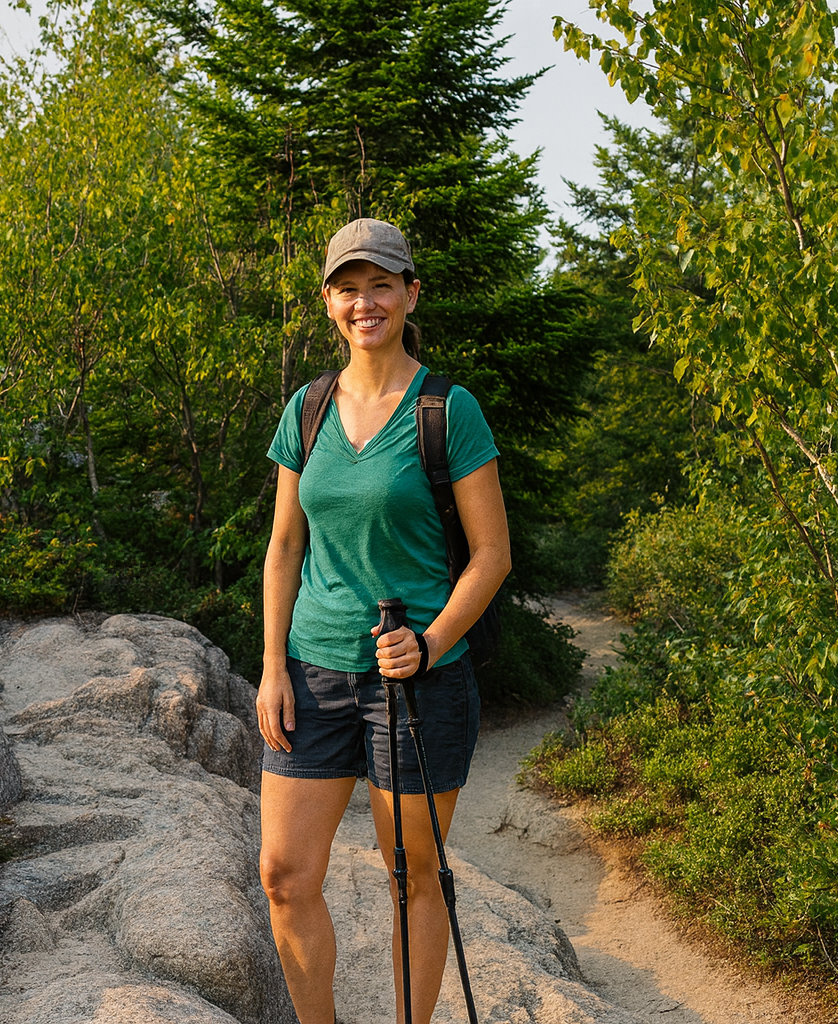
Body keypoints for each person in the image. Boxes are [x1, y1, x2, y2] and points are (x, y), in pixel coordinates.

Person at [256, 218, 511, 1024]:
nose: (363, 302)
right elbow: (285, 547)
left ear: (409, 293)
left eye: (380, 285)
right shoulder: (308, 407)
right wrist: (270, 668)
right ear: (327, 301)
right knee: (285, 876)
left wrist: (432, 642)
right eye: (347, 287)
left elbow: (492, 554)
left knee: (412, 875)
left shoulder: (447, 408)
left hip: (419, 683)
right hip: (313, 671)